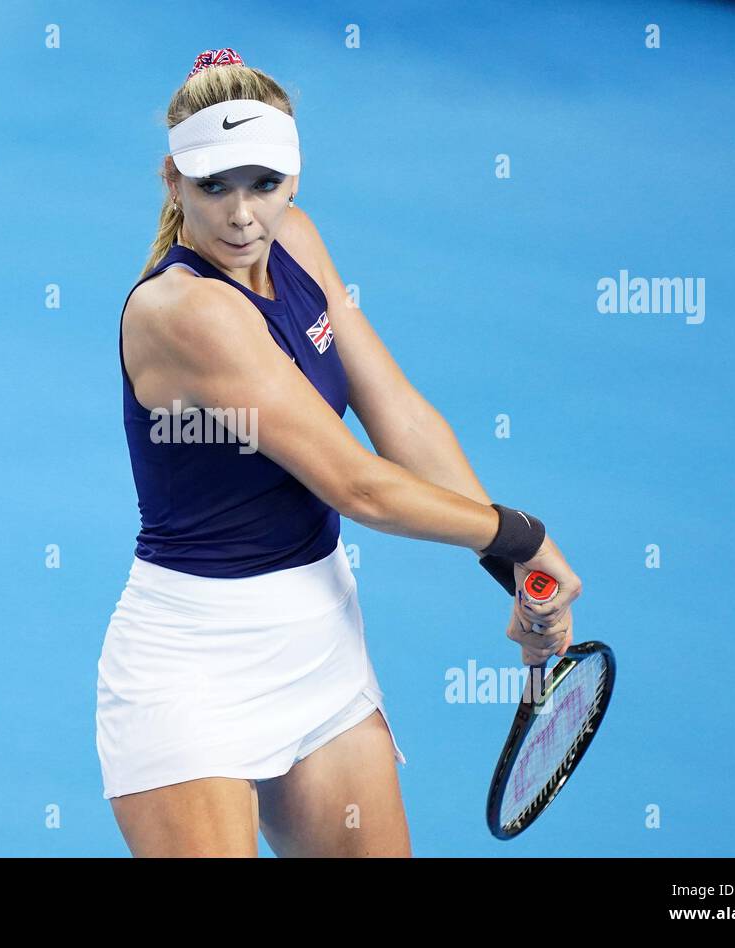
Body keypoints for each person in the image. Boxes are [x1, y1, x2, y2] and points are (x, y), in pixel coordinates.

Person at [97, 48, 583, 857]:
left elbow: (399, 415)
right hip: (191, 669)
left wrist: (512, 570)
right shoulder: (185, 313)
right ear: (173, 183)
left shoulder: (301, 242)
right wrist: (519, 534)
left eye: (265, 183)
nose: (243, 213)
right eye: (214, 185)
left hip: (318, 642)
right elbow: (358, 484)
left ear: (296, 176)